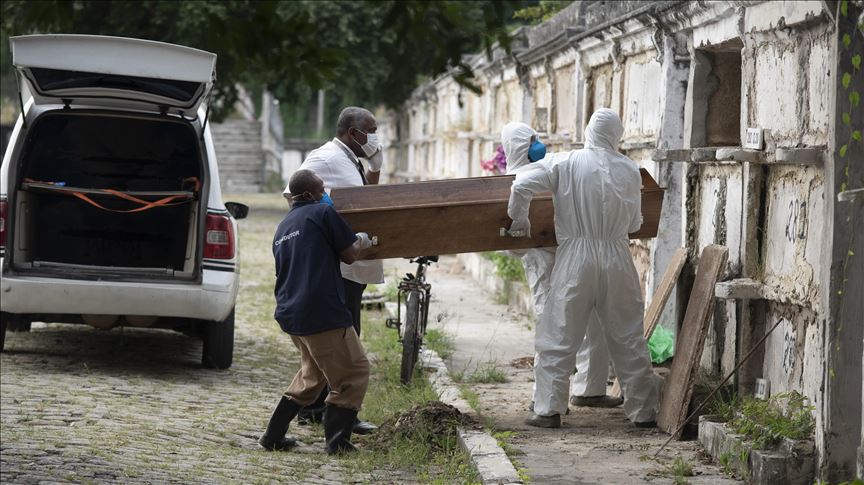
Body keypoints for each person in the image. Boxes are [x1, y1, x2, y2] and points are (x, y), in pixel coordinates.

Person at [507, 109, 661, 428]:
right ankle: (643, 412)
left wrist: (519, 220)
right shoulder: (630, 169)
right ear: (616, 135)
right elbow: (635, 223)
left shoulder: (564, 162)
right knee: (628, 335)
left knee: (560, 332)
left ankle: (548, 409)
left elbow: (521, 184)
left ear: (589, 130)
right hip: (618, 256)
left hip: (576, 256)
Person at [500, 122, 623, 411]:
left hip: (577, 254)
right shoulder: (516, 178)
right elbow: (512, 239)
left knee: (594, 319)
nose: (538, 143)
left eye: (537, 138)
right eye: (531, 140)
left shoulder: (556, 167)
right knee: (551, 325)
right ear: (518, 146)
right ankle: (544, 398)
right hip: (544, 259)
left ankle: (590, 390)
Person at [282, 106, 383, 434]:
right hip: (337, 266)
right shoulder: (324, 157)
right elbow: (293, 194)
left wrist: (375, 171)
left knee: (340, 339)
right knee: (343, 343)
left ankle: (316, 408)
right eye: (371, 130)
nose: (375, 137)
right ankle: (341, 418)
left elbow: (364, 200)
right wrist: (326, 238)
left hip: (351, 262)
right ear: (353, 133)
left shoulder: (352, 159)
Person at [259, 169, 374, 454]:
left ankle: (273, 436)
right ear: (309, 194)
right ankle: (338, 443)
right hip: (321, 312)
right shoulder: (322, 213)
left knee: (312, 376)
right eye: (322, 189)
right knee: (353, 372)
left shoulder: (284, 226)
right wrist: (362, 239)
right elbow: (349, 253)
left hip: (291, 312)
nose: (326, 194)